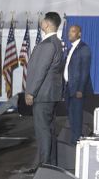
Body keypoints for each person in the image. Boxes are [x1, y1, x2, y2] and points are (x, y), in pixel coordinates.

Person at [21, 12, 65, 173]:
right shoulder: (57, 43)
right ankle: (50, 165)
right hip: (50, 94)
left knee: (43, 131)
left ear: (46, 24)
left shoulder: (48, 44)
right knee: (49, 130)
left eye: (42, 20)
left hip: (43, 94)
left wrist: (30, 92)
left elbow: (40, 70)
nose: (41, 22)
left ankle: (44, 167)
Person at [63, 24, 92, 143]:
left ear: (79, 34)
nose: (70, 34)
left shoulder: (84, 48)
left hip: (77, 90)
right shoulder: (70, 49)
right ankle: (74, 138)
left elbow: (85, 71)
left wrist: (80, 89)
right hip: (68, 87)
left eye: (73, 31)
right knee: (71, 116)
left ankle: (77, 140)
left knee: (77, 116)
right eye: (69, 32)